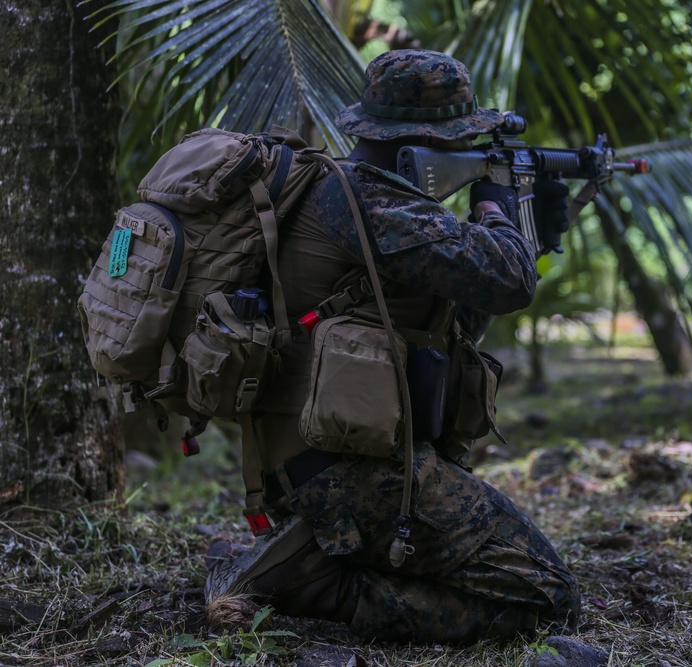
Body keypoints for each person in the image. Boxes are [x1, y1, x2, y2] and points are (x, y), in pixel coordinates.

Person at [204, 49, 580, 644]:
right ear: (423, 143)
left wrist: (532, 233)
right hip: (347, 468)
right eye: (462, 144)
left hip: (320, 458)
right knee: (545, 596)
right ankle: (318, 583)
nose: (468, 156)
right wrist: (496, 204)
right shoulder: (372, 204)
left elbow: (450, 326)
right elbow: (508, 281)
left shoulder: (350, 194)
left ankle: (316, 555)